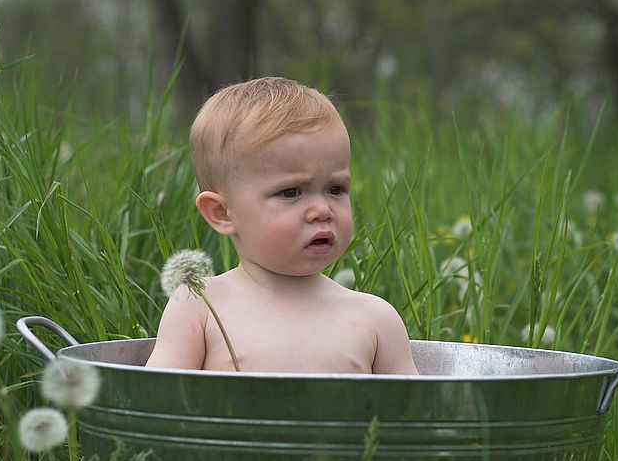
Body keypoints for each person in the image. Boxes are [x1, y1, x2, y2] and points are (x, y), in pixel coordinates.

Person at [145, 77, 419, 375]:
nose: (322, 210)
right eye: (291, 192)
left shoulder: (375, 319)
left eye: (336, 189)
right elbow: (159, 403)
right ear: (222, 213)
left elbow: (410, 414)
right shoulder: (199, 307)